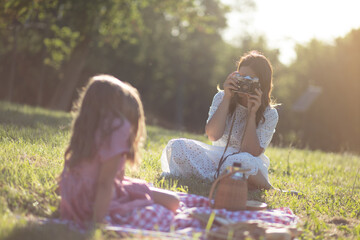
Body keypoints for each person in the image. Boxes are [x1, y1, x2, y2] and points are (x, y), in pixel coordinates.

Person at [59, 75, 179, 230]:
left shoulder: (88, 124)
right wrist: (97, 224)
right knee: (173, 202)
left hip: (77, 198)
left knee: (150, 191)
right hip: (96, 201)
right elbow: (104, 183)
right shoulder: (117, 127)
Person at [161, 50, 279, 190]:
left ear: (262, 84)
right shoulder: (222, 97)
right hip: (216, 157)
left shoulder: (270, 113)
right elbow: (212, 135)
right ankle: (224, 178)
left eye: (250, 80)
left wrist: (252, 113)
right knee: (176, 146)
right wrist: (227, 98)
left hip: (245, 162)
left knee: (238, 161)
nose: (244, 84)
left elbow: (249, 152)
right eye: (241, 77)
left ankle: (265, 186)